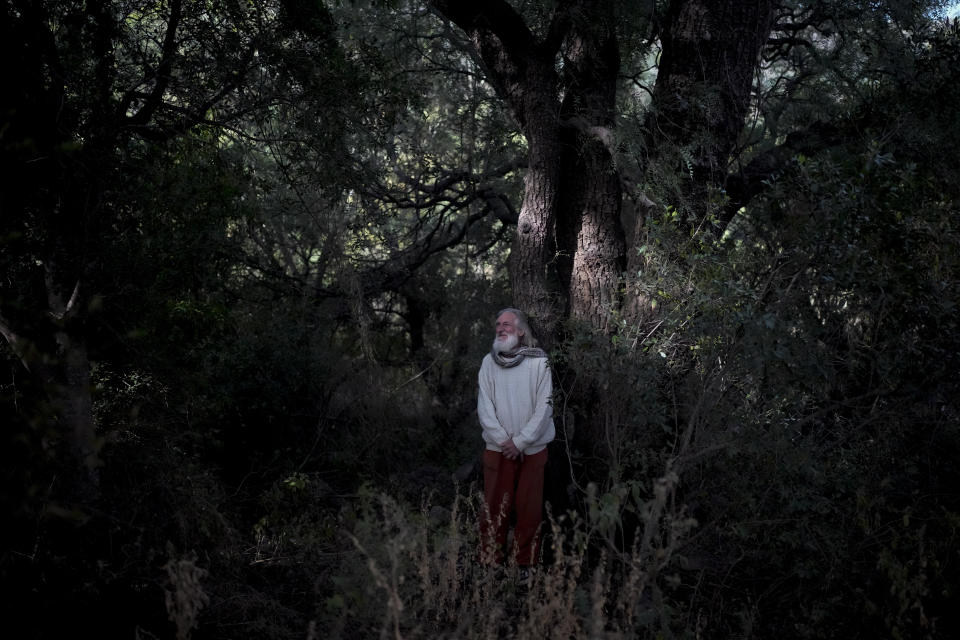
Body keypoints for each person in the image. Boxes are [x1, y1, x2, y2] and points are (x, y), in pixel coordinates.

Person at [477, 307, 555, 569]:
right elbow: (484, 407)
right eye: (498, 324)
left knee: (529, 511)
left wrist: (520, 442)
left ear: (521, 331)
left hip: (532, 450)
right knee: (493, 509)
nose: (500, 328)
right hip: (498, 450)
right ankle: (490, 564)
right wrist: (505, 442)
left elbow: (545, 407)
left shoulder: (539, 362)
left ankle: (524, 565)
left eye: (507, 324)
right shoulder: (489, 363)